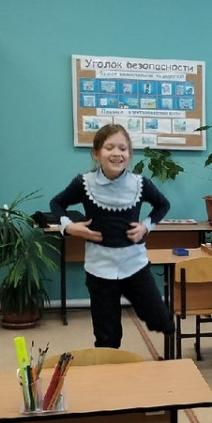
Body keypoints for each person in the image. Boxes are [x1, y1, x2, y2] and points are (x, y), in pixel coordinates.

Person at [50, 123, 173, 349]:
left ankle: (171, 362)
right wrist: (69, 227)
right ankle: (108, 367)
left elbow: (162, 205)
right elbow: (56, 204)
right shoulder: (84, 183)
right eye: (109, 148)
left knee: (161, 318)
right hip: (99, 267)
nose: (117, 153)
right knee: (107, 336)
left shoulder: (140, 184)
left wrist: (145, 227)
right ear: (96, 154)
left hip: (135, 263)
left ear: (129, 154)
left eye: (123, 148)